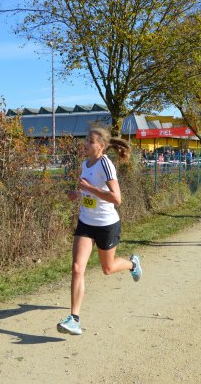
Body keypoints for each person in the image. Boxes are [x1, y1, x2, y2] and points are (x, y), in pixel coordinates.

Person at [57, 128, 142, 336]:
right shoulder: (84, 164)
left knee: (108, 268)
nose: (85, 143)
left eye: (90, 141)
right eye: (86, 139)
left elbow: (117, 198)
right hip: (86, 222)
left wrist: (89, 189)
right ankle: (74, 319)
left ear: (101, 146)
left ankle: (133, 264)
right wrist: (77, 194)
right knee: (77, 268)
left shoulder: (105, 164)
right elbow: (87, 190)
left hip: (106, 224)